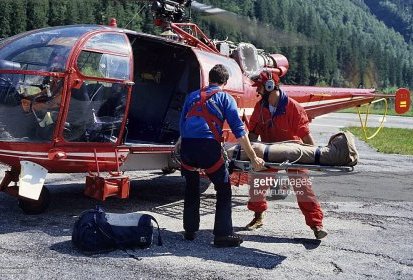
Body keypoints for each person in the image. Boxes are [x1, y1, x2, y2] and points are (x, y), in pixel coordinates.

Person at [178, 64, 265, 247]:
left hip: (187, 146)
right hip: (208, 147)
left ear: (210, 79)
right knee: (223, 188)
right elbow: (240, 131)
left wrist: (179, 145)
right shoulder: (226, 98)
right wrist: (253, 157)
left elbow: (182, 124)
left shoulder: (192, 96)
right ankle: (223, 234)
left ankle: (190, 230)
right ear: (225, 82)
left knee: (191, 186)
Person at [245, 70, 328, 239]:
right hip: (269, 150)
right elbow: (253, 133)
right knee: (257, 181)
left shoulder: (293, 107)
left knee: (303, 187)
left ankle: (316, 225)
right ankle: (258, 216)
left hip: (293, 152)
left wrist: (314, 158)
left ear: (269, 86)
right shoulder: (260, 108)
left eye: (259, 88)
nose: (257, 91)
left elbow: (305, 136)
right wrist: (249, 154)